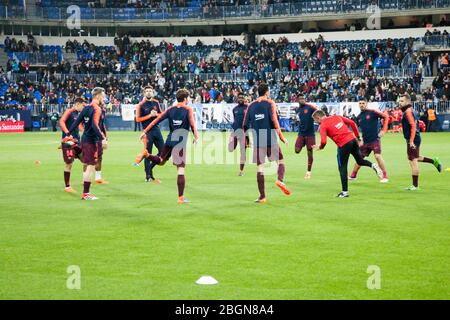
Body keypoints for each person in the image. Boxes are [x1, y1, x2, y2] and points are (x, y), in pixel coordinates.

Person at [139, 89, 199, 204]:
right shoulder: (188, 109)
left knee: (161, 161)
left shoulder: (170, 109)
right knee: (180, 170)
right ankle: (181, 198)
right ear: (185, 99)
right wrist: (196, 137)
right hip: (180, 142)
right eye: (189, 98)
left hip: (170, 139)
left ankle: (147, 154)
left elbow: (156, 120)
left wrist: (145, 131)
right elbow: (192, 123)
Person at [312, 109, 384, 198]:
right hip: (352, 140)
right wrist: (358, 137)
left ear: (318, 118)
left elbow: (323, 141)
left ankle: (345, 192)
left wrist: (320, 147)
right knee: (360, 160)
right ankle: (373, 165)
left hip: (343, 144)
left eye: (315, 120)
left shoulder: (323, 125)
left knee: (342, 168)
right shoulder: (336, 116)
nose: (316, 122)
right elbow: (352, 123)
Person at [243, 83, 291, 204]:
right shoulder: (270, 103)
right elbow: (274, 121)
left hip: (258, 139)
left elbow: (244, 125)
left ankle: (262, 197)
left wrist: (247, 140)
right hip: (270, 138)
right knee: (280, 161)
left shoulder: (251, 106)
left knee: (260, 168)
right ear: (267, 92)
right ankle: (280, 179)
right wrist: (282, 137)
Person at [66, 87, 107, 200]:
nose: (104, 98)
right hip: (91, 141)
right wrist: (102, 138)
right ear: (98, 96)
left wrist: (68, 134)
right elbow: (95, 125)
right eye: (103, 96)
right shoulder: (97, 108)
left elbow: (76, 121)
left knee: (89, 166)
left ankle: (86, 193)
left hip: (85, 139)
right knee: (90, 167)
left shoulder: (87, 107)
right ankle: (86, 194)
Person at [399, 94, 442, 191]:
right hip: (414, 138)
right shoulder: (410, 110)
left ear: (408, 102)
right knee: (413, 157)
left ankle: (415, 186)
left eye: (402, 101)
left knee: (412, 161)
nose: (400, 103)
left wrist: (411, 141)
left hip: (413, 138)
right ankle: (434, 161)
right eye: (399, 101)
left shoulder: (408, 112)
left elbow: (413, 126)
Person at [349, 98, 389, 183]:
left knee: (377, 156)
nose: (361, 105)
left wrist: (384, 130)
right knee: (359, 159)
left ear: (366, 104)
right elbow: (356, 129)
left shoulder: (373, 112)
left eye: (363, 103)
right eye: (360, 103)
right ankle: (353, 175)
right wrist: (359, 139)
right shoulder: (359, 117)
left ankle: (385, 176)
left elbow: (386, 116)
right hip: (365, 142)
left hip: (375, 139)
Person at [134, 85, 164, 182]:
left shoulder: (156, 102)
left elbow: (162, 115)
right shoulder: (140, 105)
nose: (148, 92)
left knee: (163, 152)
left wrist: (156, 114)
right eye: (147, 91)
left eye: (150, 91)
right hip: (147, 132)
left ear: (153, 92)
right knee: (147, 152)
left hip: (156, 130)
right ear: (144, 93)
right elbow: (138, 119)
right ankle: (148, 176)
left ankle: (150, 168)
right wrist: (149, 115)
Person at [59, 97, 85, 193]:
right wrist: (67, 133)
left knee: (86, 160)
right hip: (68, 142)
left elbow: (79, 126)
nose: (83, 107)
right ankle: (67, 186)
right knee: (68, 164)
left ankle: (85, 180)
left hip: (77, 142)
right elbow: (61, 121)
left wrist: (85, 132)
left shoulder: (78, 114)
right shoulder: (69, 111)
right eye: (82, 105)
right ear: (78, 104)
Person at [294, 93, 318, 180]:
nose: (302, 100)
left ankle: (308, 172)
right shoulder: (298, 109)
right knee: (297, 150)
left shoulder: (310, 107)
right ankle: (303, 144)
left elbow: (318, 112)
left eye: (303, 98)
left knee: (309, 152)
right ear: (297, 100)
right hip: (301, 134)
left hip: (310, 134)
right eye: (300, 98)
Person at [228, 93, 249, 176]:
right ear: (237, 99)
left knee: (243, 152)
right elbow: (235, 120)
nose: (240, 99)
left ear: (244, 99)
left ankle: (241, 171)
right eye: (239, 98)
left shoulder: (247, 108)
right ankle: (231, 142)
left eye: (242, 98)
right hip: (235, 132)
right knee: (231, 149)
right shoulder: (234, 109)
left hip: (244, 133)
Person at [94, 101, 108, 184]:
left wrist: (105, 136)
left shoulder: (103, 111)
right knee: (88, 159)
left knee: (99, 157)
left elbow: (102, 124)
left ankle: (98, 178)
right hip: (92, 137)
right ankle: (85, 178)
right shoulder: (92, 110)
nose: (103, 102)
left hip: (100, 137)